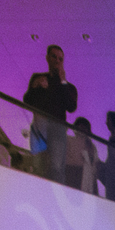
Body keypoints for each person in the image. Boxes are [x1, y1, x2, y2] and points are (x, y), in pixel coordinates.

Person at [23, 45, 79, 183]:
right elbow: (27, 101)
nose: (57, 61)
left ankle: (55, 193)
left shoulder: (68, 87)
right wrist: (35, 87)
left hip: (58, 129)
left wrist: (63, 81)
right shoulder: (38, 78)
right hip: (39, 124)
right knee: (38, 163)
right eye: (54, 56)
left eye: (60, 58)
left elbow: (71, 107)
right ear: (47, 58)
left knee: (57, 167)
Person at [68, 117, 100, 195]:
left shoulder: (92, 146)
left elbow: (95, 164)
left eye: (85, 127)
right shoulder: (71, 141)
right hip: (74, 175)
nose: (82, 130)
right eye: (80, 127)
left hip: (90, 179)